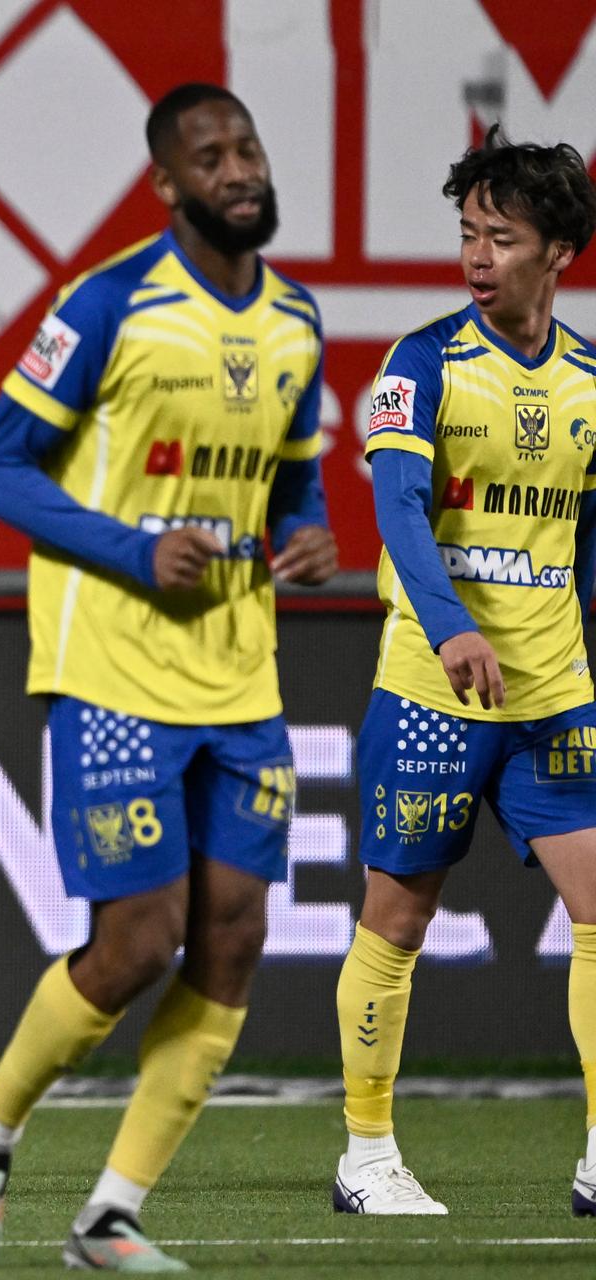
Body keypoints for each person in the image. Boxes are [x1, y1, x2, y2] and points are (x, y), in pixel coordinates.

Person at [0, 83, 338, 1270]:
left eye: (249, 149)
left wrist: (309, 536)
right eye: (210, 156)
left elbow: (295, 484)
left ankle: (111, 1211)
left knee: (235, 938)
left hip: (240, 674)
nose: (238, 169)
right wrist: (130, 549)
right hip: (111, 663)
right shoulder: (111, 303)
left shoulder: (297, 322)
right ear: (166, 184)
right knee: (135, 942)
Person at [328, 126, 596, 1219]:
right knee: (396, 917)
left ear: (560, 252)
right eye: (468, 233)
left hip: (555, 692)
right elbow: (397, 509)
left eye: (503, 235)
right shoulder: (423, 360)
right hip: (435, 691)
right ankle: (367, 1150)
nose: (477, 255)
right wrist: (448, 628)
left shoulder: (588, 382)